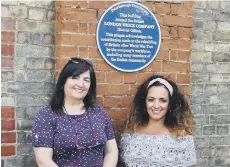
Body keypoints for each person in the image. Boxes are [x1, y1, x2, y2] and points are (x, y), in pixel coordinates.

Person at [32, 58, 118, 167]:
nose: (81, 84)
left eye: (86, 80)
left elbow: (111, 151)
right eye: (75, 78)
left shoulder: (98, 112)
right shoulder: (47, 114)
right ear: (63, 82)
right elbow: (43, 160)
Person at [118, 74, 196, 167]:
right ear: (144, 102)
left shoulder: (181, 136)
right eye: (151, 100)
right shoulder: (129, 133)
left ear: (170, 104)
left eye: (162, 100)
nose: (156, 105)